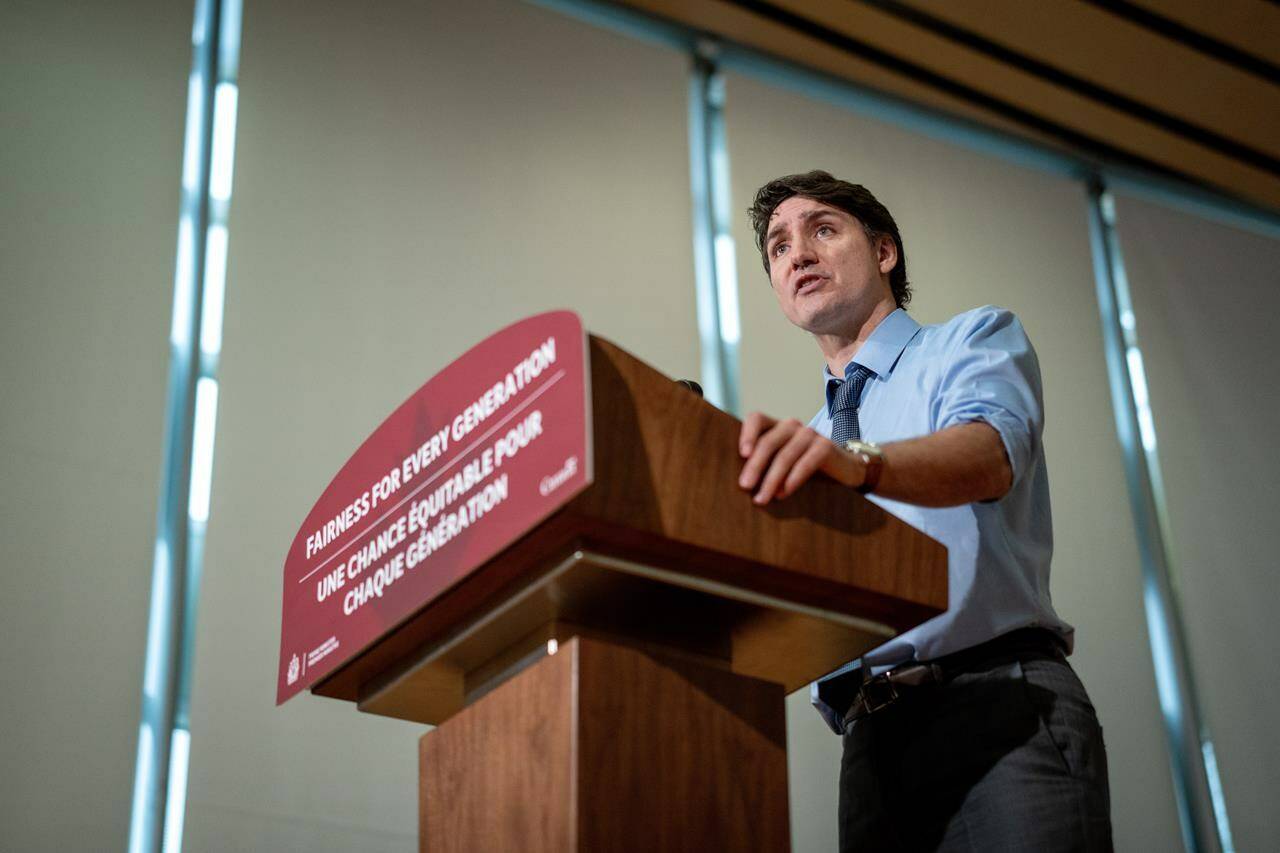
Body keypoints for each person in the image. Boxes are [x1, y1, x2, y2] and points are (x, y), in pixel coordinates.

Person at [736, 170, 1112, 851]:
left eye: (822, 229)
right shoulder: (809, 442)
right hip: (869, 745)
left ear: (884, 252)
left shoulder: (969, 341)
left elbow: (989, 452)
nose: (798, 253)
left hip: (997, 708)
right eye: (778, 247)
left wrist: (859, 465)